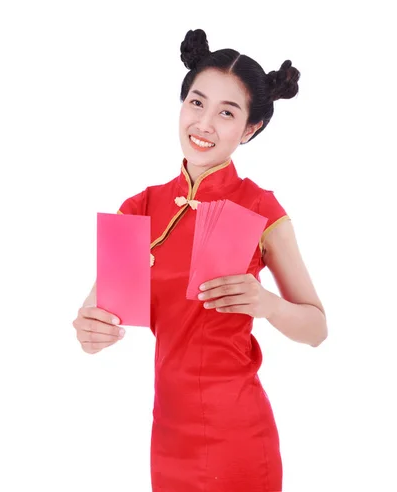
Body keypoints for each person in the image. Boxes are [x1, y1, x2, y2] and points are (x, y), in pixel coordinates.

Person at [72, 28, 327, 492]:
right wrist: (90, 331)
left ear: (251, 128)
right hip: (168, 434)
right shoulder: (140, 208)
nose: (204, 123)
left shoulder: (261, 209)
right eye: (196, 103)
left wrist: (266, 303)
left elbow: (316, 329)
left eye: (226, 112)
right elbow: (98, 321)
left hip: (239, 434)